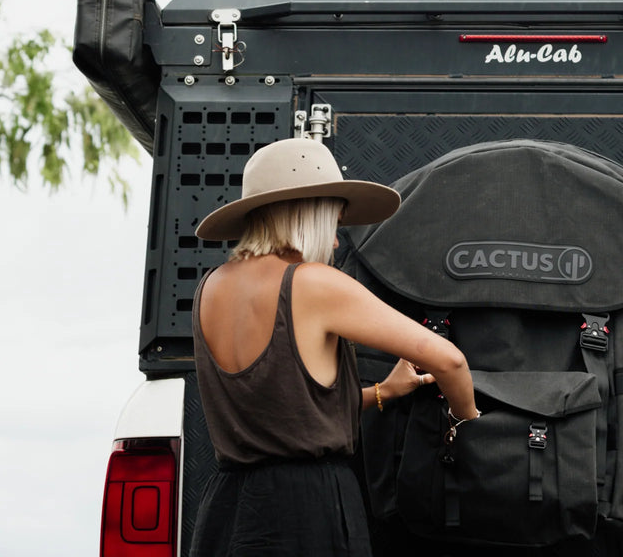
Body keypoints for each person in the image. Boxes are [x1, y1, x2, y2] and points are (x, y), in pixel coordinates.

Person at [188, 136, 479, 557]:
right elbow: (449, 360)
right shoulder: (311, 283)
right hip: (308, 511)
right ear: (309, 215)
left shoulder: (210, 288)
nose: (338, 241)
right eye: (334, 223)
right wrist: (468, 424)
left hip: (227, 508)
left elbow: (284, 413)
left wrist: (383, 393)